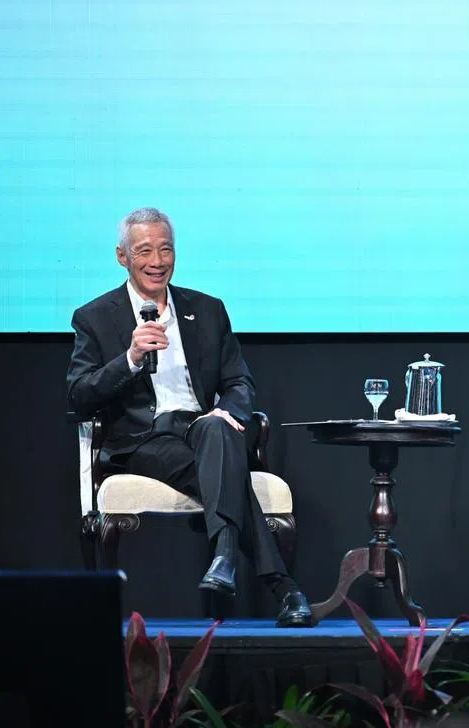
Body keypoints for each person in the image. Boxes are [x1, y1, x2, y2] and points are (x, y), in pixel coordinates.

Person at [66, 207, 313, 627]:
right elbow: (79, 394)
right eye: (144, 251)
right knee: (224, 471)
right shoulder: (94, 317)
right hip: (142, 439)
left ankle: (224, 560)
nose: (157, 262)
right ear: (122, 257)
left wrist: (227, 411)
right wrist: (129, 358)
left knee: (217, 427)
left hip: (201, 427)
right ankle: (279, 585)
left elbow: (239, 381)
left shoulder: (208, 309)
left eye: (166, 250)